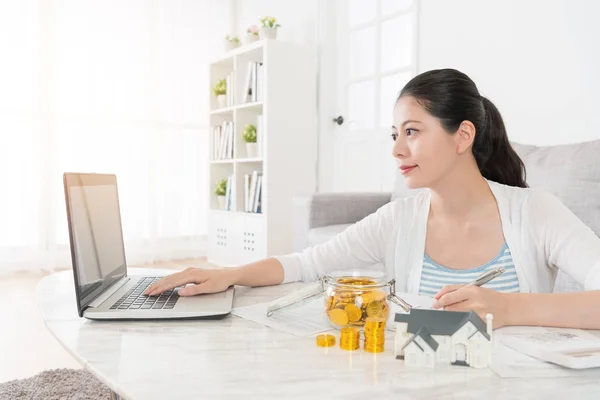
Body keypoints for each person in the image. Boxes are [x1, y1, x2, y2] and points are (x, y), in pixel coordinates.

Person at [145, 68, 600, 329]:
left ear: (463, 136)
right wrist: (227, 274)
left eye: (412, 132)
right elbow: (307, 263)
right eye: (395, 135)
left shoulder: (533, 212)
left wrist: (507, 308)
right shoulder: (399, 219)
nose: (397, 150)